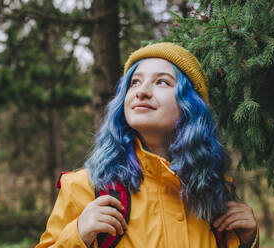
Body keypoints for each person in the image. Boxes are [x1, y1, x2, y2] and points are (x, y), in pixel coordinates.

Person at [35, 42, 259, 248]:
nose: (141, 91)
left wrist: (248, 241)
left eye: (162, 82)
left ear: (190, 105)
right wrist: (77, 236)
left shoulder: (214, 190)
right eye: (135, 82)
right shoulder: (85, 187)